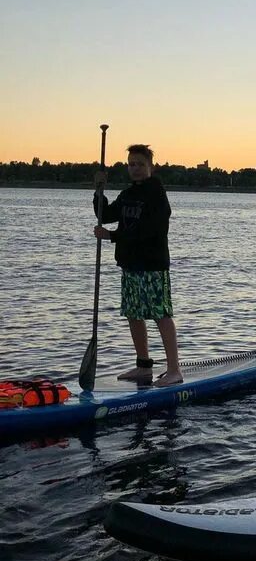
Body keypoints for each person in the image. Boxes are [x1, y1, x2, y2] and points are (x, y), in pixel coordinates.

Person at [93, 144, 183, 387]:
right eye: (131, 164)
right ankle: (144, 367)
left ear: (150, 167)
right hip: (130, 265)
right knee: (133, 314)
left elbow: (149, 230)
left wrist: (112, 237)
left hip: (153, 265)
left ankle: (174, 370)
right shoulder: (128, 194)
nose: (135, 169)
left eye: (140, 164)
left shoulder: (157, 195)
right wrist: (99, 191)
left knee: (160, 314)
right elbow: (106, 214)